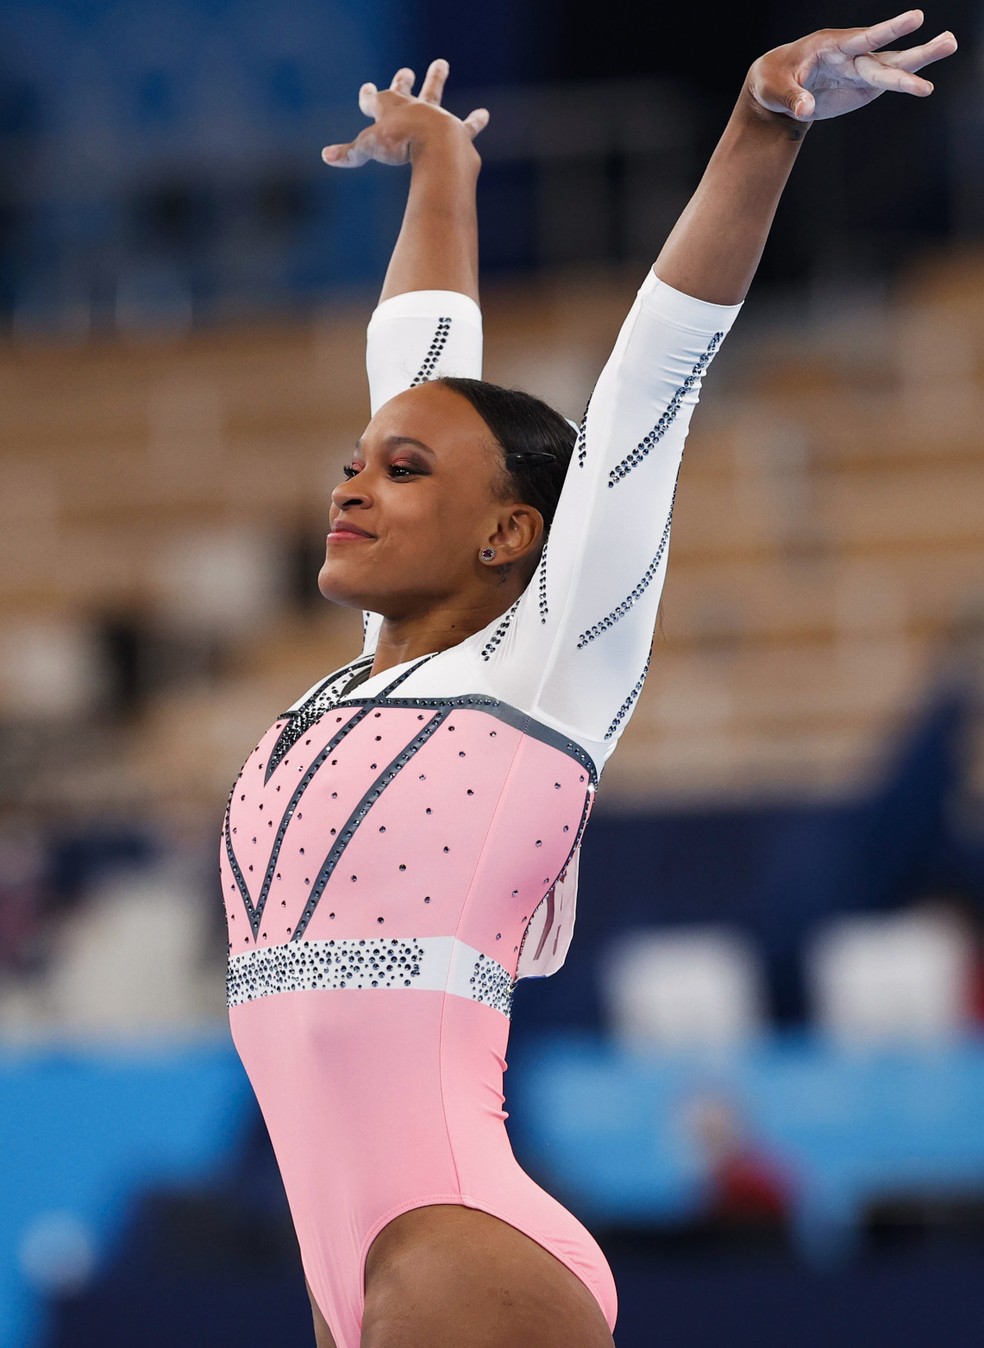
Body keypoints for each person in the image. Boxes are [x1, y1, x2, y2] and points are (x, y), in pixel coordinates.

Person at [219, 13, 957, 1347]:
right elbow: (421, 356)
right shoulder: (357, 685)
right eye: (354, 460)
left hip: (455, 1241)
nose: (350, 482)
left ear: (510, 534)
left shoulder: (547, 666)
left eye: (401, 473)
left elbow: (654, 377)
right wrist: (443, 166)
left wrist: (761, 122)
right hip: (346, 1254)